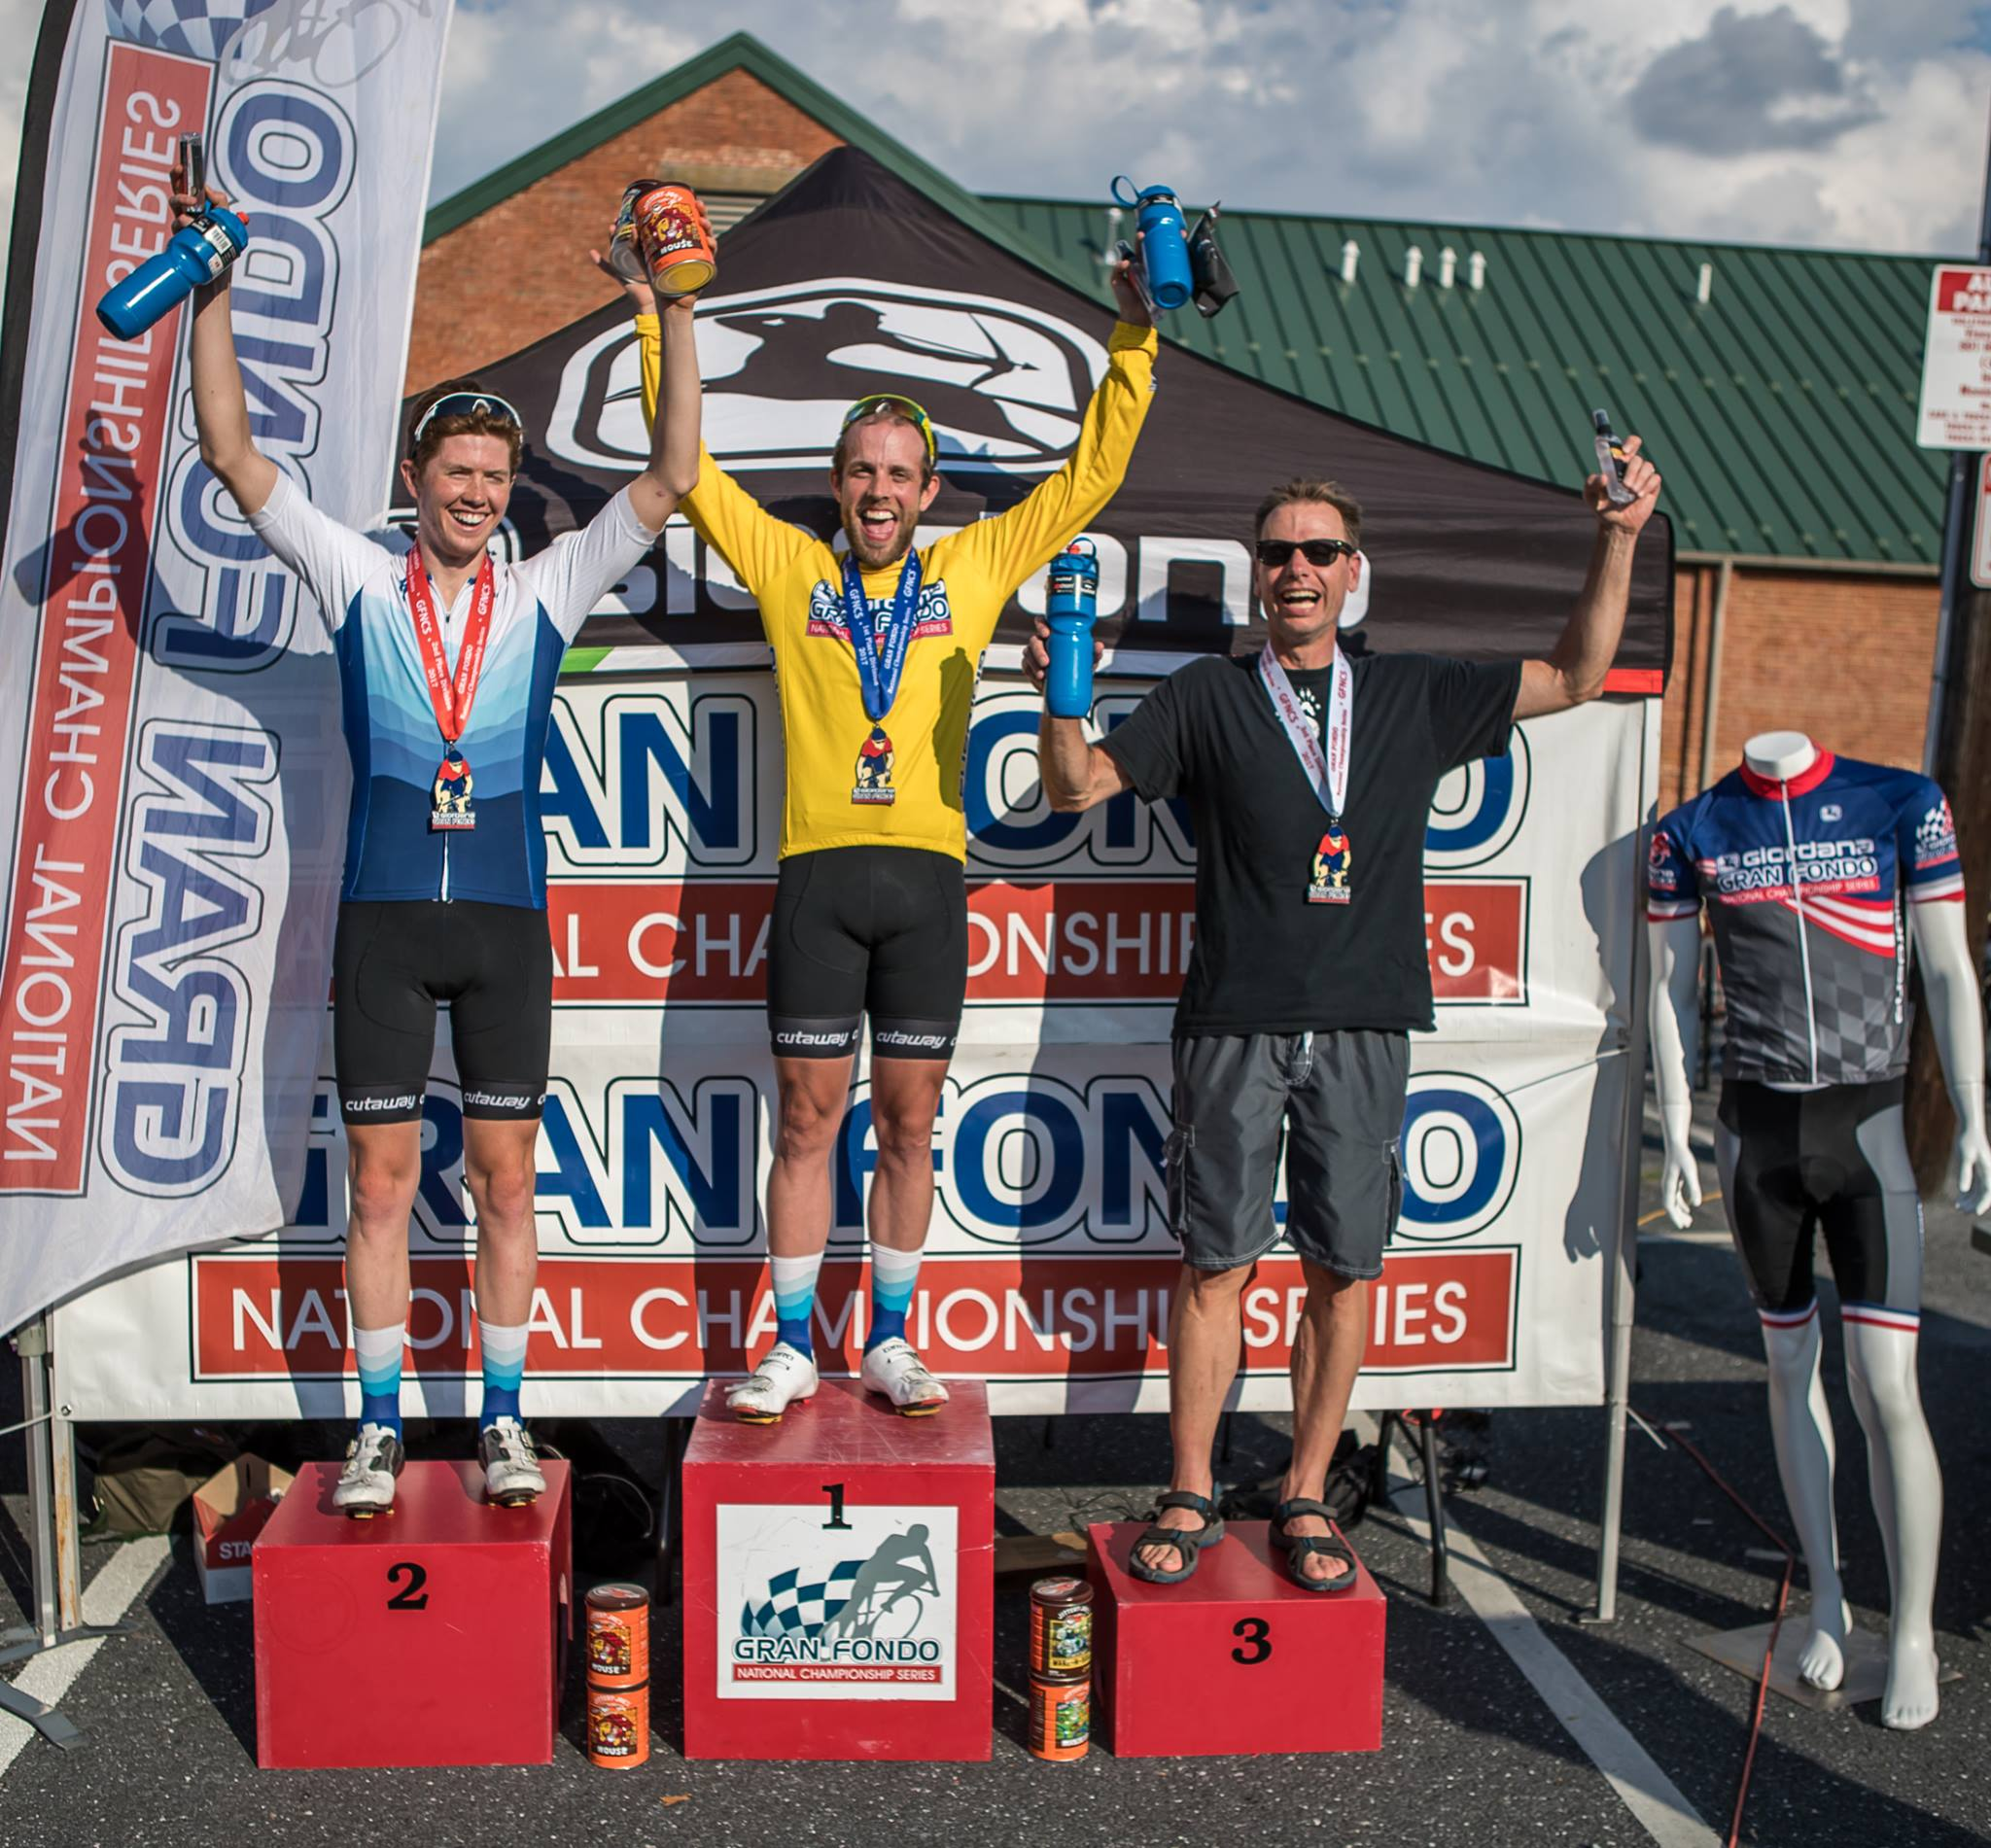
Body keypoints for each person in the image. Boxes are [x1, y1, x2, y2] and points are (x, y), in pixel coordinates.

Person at [1032, 448, 1662, 1586]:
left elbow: (1576, 676)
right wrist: (1061, 694)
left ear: (1351, 570)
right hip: (1233, 1018)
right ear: (1256, 571)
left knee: (1342, 1269)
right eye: (1277, 551)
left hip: (1366, 1019)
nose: (1297, 568)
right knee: (1214, 1264)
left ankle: (1306, 1491)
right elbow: (1073, 787)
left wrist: (1615, 536)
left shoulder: (1413, 691)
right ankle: (1189, 1487)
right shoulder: (1208, 694)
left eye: (1318, 550)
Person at [179, 168, 702, 1515]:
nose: (476, 492)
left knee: (507, 1183)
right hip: (386, 923)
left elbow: (671, 475)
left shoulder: (545, 587)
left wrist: (666, 310)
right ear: (415, 480)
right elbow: (232, 452)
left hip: (506, 925)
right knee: (378, 1184)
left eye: (493, 476)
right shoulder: (357, 573)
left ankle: (507, 1418)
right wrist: (212, 293)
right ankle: (377, 1428)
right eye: (456, 472)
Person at [604, 238, 1159, 1421]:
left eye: (898, 473)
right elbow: (686, 465)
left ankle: (894, 1336)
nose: (877, 491)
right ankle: (792, 1342)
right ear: (837, 480)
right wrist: (659, 316)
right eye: (860, 469)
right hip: (816, 879)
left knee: (909, 1123)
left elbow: (1088, 479)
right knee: (805, 1120)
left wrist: (1133, 336)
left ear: (928, 489)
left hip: (923, 888)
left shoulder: (975, 564)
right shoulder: (787, 563)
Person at [1649, 729, 1987, 1729]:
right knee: (1789, 1369)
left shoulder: (1902, 803)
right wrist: (1676, 1127)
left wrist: (1976, 1116)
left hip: (1867, 1128)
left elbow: (1948, 969)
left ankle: (1914, 1630)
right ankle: (1830, 1600)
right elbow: (1668, 989)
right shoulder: (1693, 830)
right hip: (1754, 1136)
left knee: (1885, 1384)